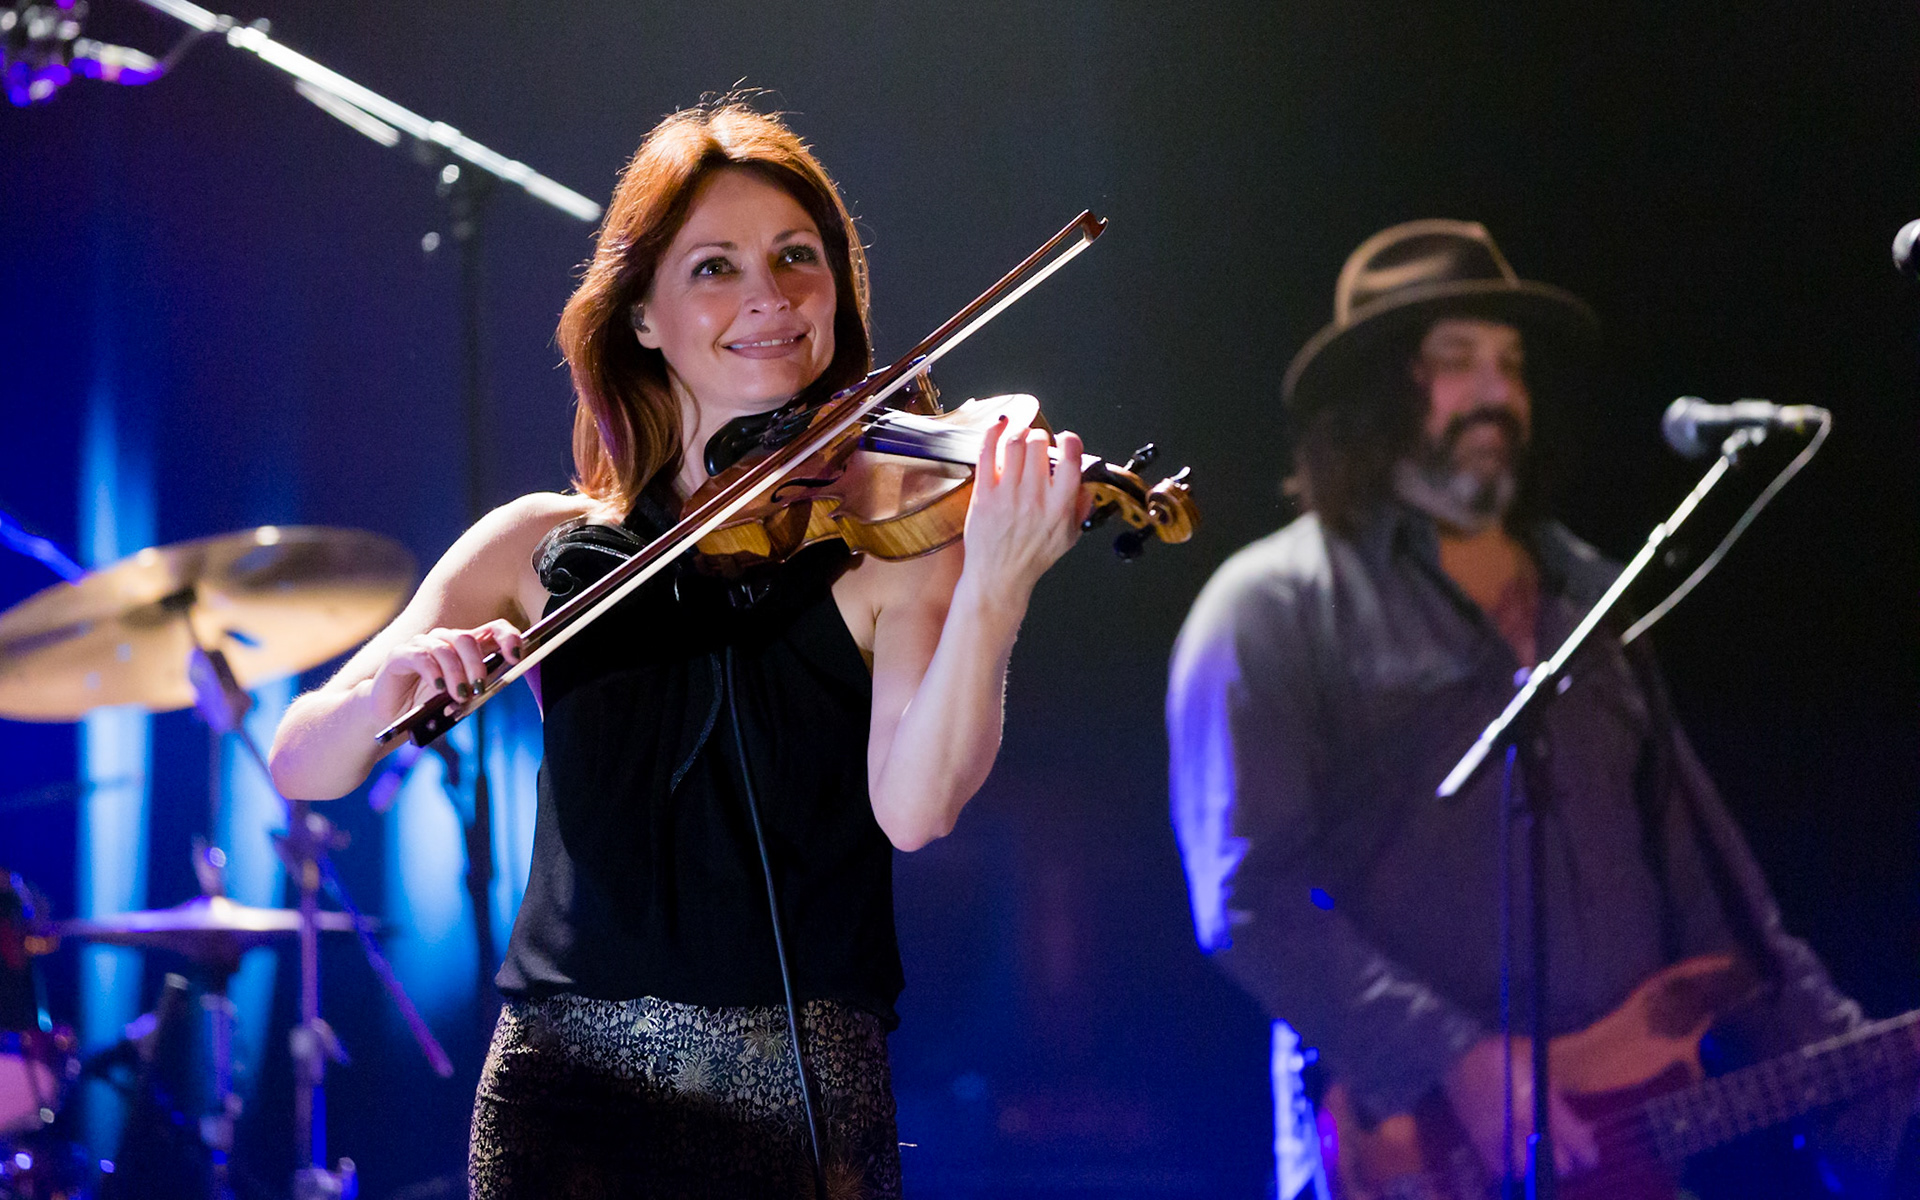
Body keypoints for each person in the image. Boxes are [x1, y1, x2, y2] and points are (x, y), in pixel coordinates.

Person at [268, 99, 1089, 1199]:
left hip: (804, 1099)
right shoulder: (538, 545)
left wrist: (996, 586)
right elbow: (298, 761)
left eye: (800, 257)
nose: (770, 294)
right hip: (569, 1100)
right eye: (715, 267)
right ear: (643, 318)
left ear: (839, 293)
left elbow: (916, 810)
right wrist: (388, 690)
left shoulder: (890, 547)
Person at [1166, 220, 1914, 1197]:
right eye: (1455, 362)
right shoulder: (1269, 605)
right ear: (1372, 396)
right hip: (1408, 1163)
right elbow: (1247, 901)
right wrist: (1455, 1059)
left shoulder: (1592, 596)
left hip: (1631, 1160)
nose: (1497, 394)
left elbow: (1716, 901)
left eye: (1510, 365)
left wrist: (1863, 1075)